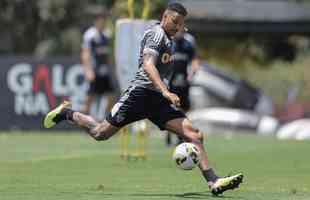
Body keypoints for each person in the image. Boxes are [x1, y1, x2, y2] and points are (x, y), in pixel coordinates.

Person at [43, 3, 243, 196]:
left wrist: (163, 93)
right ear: (165, 16)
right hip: (139, 95)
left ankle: (213, 181)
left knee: (194, 134)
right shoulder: (156, 35)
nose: (178, 27)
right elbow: (148, 65)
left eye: (181, 24)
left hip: (157, 101)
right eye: (175, 21)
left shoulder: (171, 38)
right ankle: (66, 113)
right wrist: (165, 91)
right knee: (99, 133)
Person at [166, 31, 201, 146]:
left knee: (183, 109)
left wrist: (194, 70)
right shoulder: (168, 43)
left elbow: (194, 59)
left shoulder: (188, 43)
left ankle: (180, 135)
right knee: (170, 109)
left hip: (183, 83)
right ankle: (169, 135)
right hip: (170, 83)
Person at [80, 12, 116, 115]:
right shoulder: (90, 35)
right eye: (100, 21)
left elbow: (109, 55)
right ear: (96, 22)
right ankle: (82, 121)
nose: (102, 23)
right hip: (94, 71)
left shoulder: (107, 35)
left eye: (104, 21)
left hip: (104, 72)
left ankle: (104, 121)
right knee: (89, 98)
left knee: (111, 96)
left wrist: (112, 69)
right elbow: (85, 54)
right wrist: (88, 70)